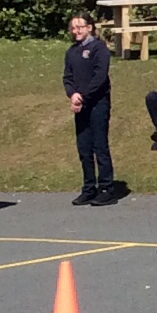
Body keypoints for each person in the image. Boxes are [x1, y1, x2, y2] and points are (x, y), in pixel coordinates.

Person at [64, 12, 115, 205]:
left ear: (89, 27)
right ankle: (89, 188)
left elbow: (99, 77)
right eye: (73, 28)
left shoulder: (99, 49)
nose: (76, 31)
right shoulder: (71, 52)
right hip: (80, 105)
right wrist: (72, 94)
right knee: (84, 148)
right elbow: (67, 77)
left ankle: (106, 188)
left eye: (80, 27)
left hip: (97, 103)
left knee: (99, 146)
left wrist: (83, 96)